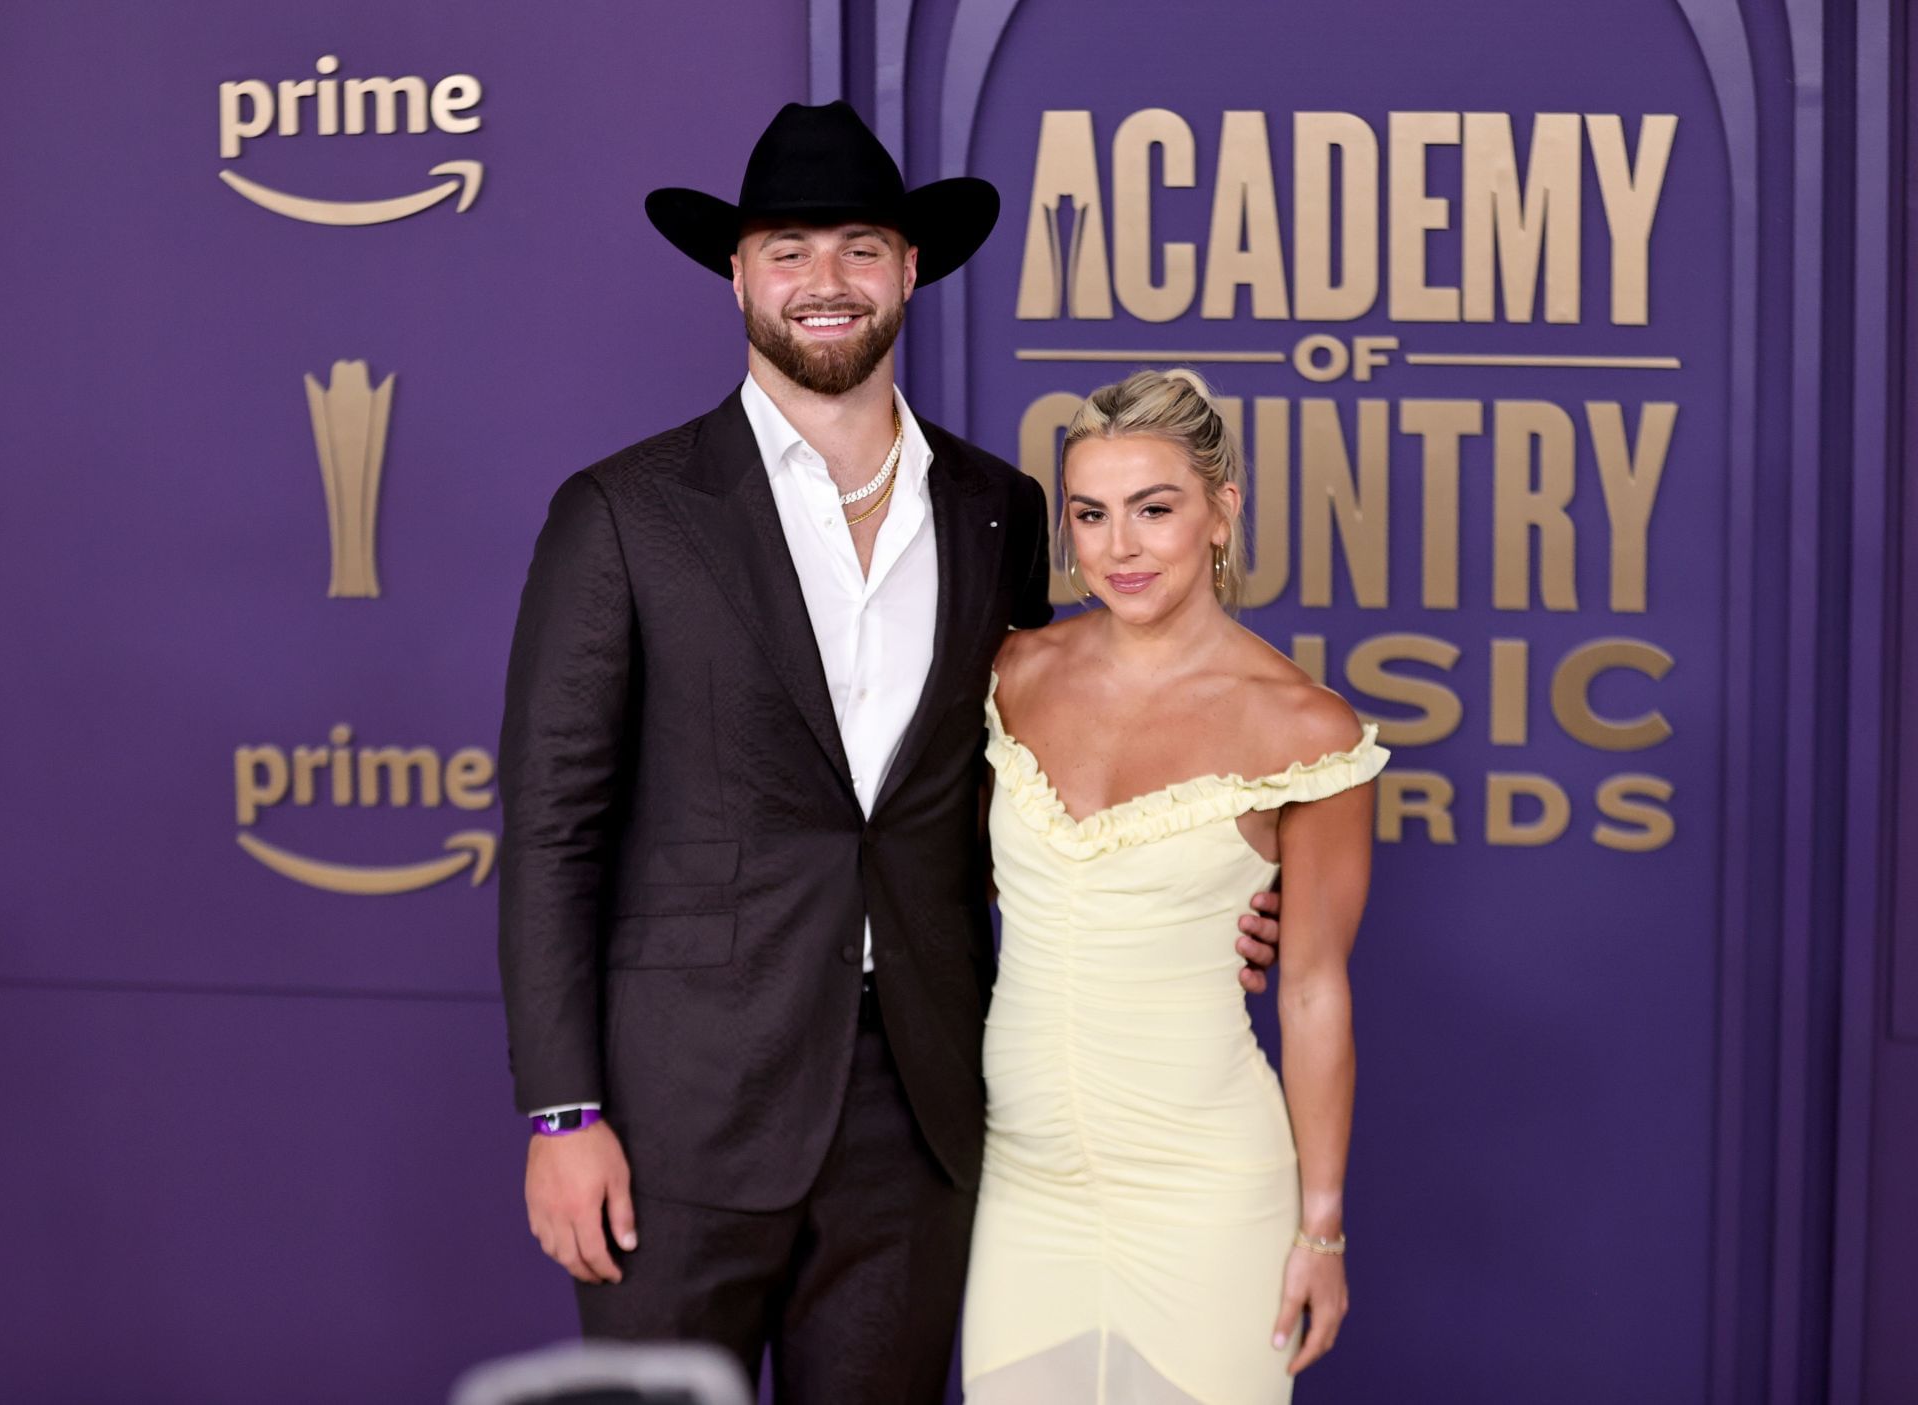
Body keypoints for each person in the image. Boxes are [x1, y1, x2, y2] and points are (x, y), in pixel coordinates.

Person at [495, 104, 1285, 1404]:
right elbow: (551, 832)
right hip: (677, 1109)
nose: (825, 283)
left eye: (860, 247)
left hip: (921, 1103)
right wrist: (563, 1114)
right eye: (789, 250)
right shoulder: (624, 515)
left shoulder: (998, 510)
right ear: (738, 273)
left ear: (911, 269)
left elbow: (1031, 784)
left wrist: (1208, 893)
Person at [962, 369, 1388, 1404]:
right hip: (1023, 1182)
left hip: (1205, 1184)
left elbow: (1314, 988)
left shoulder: (1304, 729)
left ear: (1221, 511)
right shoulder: (1012, 673)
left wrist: (1319, 1227)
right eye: (1092, 514)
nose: (1121, 547)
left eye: (1156, 509)